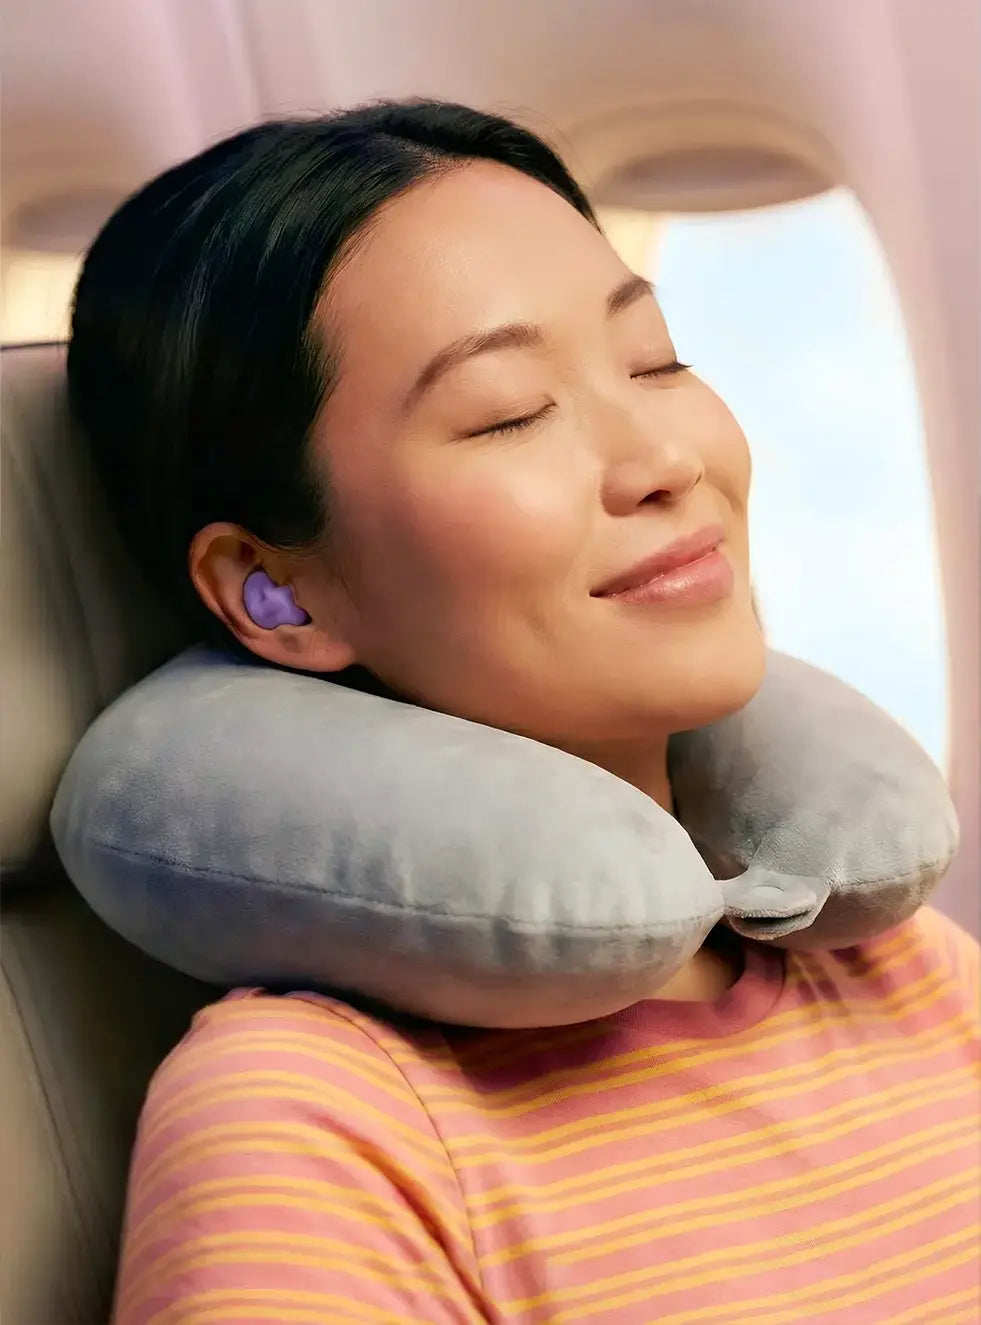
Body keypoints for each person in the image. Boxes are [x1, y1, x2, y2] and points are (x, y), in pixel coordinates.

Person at [68, 99, 979, 1324]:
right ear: (276, 590)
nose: (665, 459)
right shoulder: (312, 1115)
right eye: (506, 410)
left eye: (655, 360)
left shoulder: (902, 966)